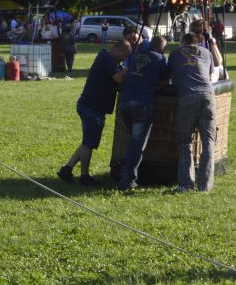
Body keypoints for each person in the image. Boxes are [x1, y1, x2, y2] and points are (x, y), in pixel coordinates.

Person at [58, 40, 130, 186]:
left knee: (88, 142)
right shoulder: (107, 59)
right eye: (125, 56)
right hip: (92, 107)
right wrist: (128, 69)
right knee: (89, 143)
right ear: (119, 51)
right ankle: (84, 177)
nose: (125, 59)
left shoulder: (108, 60)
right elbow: (118, 78)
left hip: (90, 105)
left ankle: (67, 170)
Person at [117, 36, 170, 191]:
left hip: (124, 103)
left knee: (132, 141)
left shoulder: (135, 55)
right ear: (162, 48)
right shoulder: (159, 59)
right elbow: (166, 78)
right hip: (142, 104)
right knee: (136, 144)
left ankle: (124, 172)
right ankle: (127, 180)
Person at [169, 33, 218, 192]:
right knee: (208, 141)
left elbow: (169, 77)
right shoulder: (207, 53)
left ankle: (186, 184)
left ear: (183, 42)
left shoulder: (175, 54)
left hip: (187, 97)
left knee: (185, 141)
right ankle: (205, 185)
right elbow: (210, 74)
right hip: (208, 96)